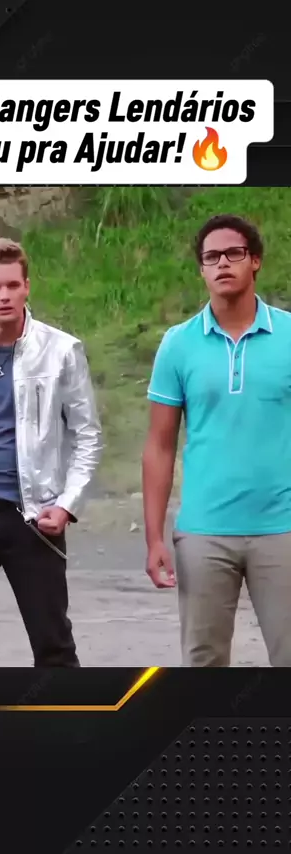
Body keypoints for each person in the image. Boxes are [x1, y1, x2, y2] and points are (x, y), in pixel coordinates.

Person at [143, 213, 291, 667]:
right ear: (202, 269)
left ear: (255, 261)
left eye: (234, 254)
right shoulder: (178, 344)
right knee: (203, 665)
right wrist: (154, 538)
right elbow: (159, 445)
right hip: (204, 533)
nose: (222, 263)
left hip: (283, 529)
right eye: (211, 257)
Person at [0, 237, 103, 666]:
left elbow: (88, 435)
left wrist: (66, 505)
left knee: (53, 644)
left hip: (33, 519)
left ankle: (65, 712)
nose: (4, 296)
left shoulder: (62, 350)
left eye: (12, 285)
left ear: (27, 287)